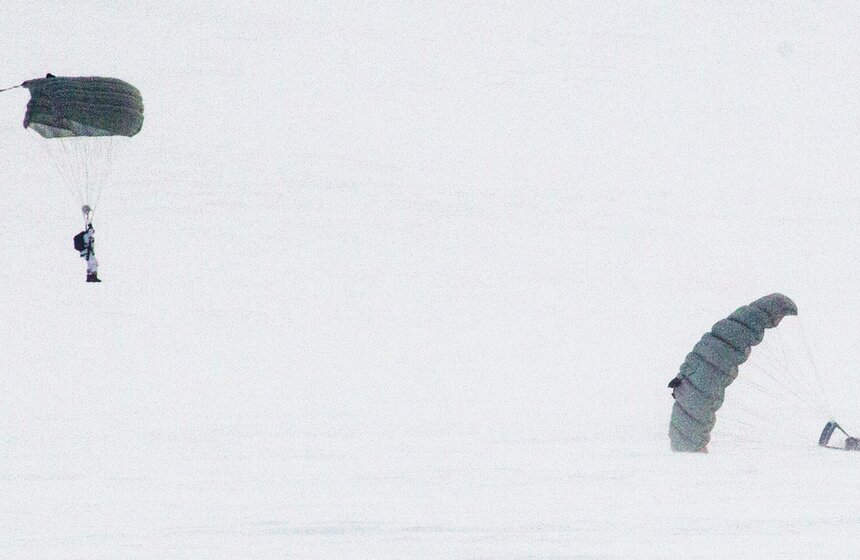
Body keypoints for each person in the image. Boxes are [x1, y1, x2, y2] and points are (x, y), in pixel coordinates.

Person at [77, 205, 100, 282]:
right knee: (94, 264)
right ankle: (92, 277)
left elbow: (90, 230)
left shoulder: (86, 235)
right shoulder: (87, 235)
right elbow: (90, 230)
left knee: (91, 264)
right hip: (87, 252)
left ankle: (90, 277)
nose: (93, 232)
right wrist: (89, 224)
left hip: (86, 252)